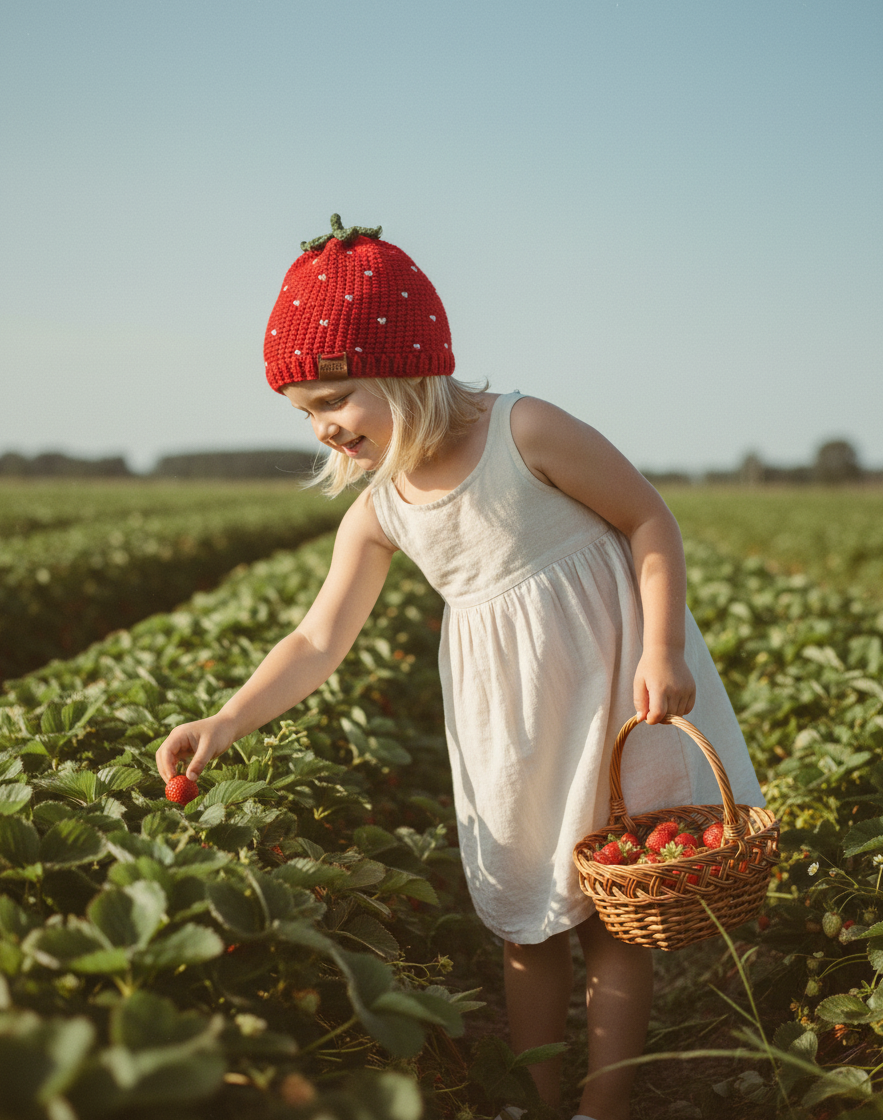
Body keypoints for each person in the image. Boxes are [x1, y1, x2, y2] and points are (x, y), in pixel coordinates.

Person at [156, 215, 766, 1120]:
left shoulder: (527, 433)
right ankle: (533, 1098)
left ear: (406, 367)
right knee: (527, 916)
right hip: (510, 727)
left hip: (611, 690)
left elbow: (649, 521)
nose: (323, 428)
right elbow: (317, 640)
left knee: (613, 911)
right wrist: (228, 718)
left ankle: (605, 1107)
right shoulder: (383, 510)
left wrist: (663, 646)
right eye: (305, 414)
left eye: (335, 399)